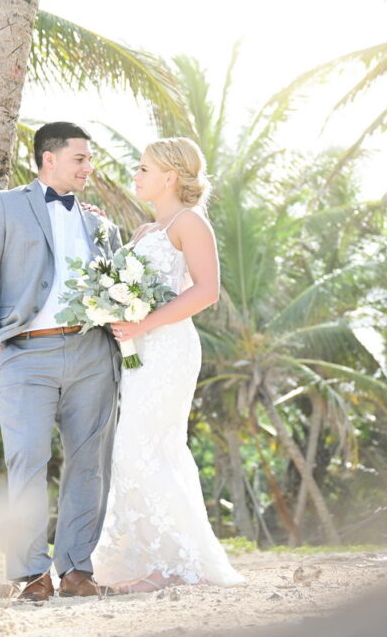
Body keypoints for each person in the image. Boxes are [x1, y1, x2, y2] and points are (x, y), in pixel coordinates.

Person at [0, 121, 123, 601]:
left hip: (93, 352)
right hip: (24, 354)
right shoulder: (6, 205)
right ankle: (31, 573)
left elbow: (117, 285)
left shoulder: (100, 223)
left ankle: (77, 569)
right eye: (81, 158)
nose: (88, 168)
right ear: (48, 158)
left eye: (90, 159)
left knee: (90, 462)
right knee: (28, 460)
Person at [92, 137, 245, 593]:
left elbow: (206, 291)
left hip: (170, 346)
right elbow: (121, 281)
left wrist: (145, 323)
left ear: (170, 177)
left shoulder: (190, 223)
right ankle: (152, 559)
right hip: (138, 351)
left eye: (142, 169)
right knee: (138, 448)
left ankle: (175, 565)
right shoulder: (143, 231)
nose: (134, 176)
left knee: (144, 447)